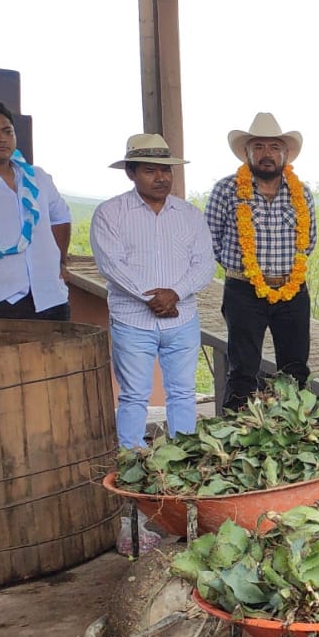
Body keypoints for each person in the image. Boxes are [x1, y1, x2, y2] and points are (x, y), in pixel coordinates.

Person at [90, 134, 214, 448]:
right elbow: (111, 265)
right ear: (131, 173)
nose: (161, 177)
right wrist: (154, 298)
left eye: (166, 170)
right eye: (150, 170)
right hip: (133, 320)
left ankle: (183, 458)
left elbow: (204, 265)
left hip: (182, 318)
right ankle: (132, 460)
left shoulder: (189, 215)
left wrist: (175, 293)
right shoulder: (110, 213)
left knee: (183, 393)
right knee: (133, 395)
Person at [204, 112, 318, 410]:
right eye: (258, 147)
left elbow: (310, 241)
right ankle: (236, 442)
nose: (266, 155)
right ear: (246, 153)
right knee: (243, 369)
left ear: (286, 154)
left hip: (293, 292)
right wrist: (242, 271)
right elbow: (210, 240)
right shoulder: (227, 189)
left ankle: (293, 433)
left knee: (295, 370)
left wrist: (286, 275)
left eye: (273, 148)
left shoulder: (301, 193)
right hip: (243, 291)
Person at [0, 100, 71, 320]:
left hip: (51, 297)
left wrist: (61, 262)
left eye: (7, 131)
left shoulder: (37, 176)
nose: (1, 138)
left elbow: (60, 218)